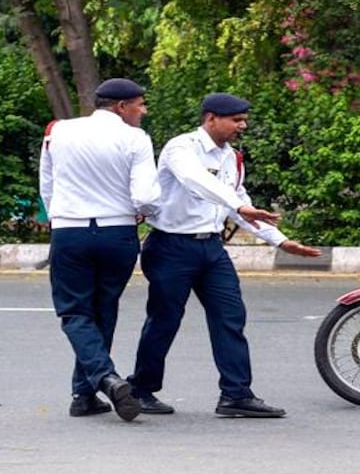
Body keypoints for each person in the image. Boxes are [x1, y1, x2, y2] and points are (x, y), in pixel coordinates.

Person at [127, 93, 320, 418]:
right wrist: (239, 205)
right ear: (211, 118)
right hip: (171, 246)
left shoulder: (231, 157)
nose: (242, 126)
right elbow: (196, 181)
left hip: (211, 249)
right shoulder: (182, 147)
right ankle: (141, 389)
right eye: (236, 120)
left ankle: (236, 394)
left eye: (244, 120)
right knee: (164, 320)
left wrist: (280, 241)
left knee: (231, 317)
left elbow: (239, 200)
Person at [38, 78, 161, 421]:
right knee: (103, 308)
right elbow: (147, 198)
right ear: (121, 107)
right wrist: (144, 212)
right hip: (117, 232)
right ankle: (84, 394)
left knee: (75, 312)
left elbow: (46, 182)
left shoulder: (58, 130)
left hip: (71, 230)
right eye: (140, 104)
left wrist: (58, 217)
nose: (143, 111)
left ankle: (102, 380)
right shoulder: (135, 138)